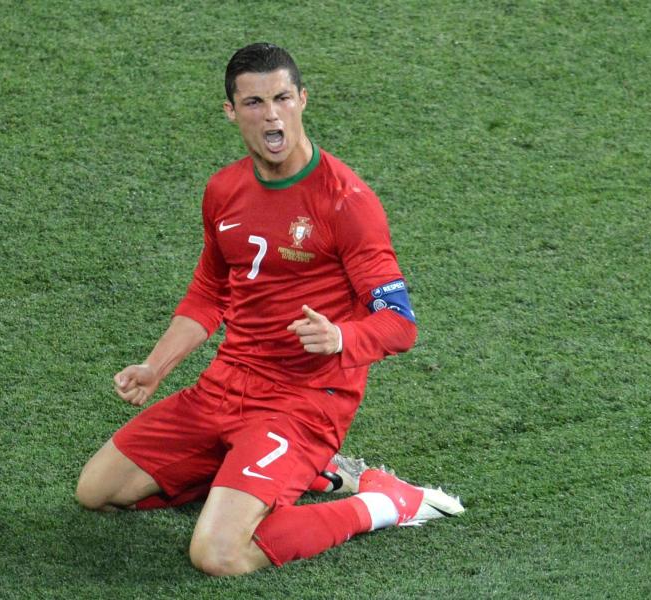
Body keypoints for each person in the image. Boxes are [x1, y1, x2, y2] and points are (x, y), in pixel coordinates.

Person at [75, 42, 464, 576]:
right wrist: (154, 367)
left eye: (282, 97)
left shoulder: (345, 203)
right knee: (98, 490)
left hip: (303, 402)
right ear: (232, 112)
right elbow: (211, 293)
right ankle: (307, 476)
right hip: (226, 384)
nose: (272, 114)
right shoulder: (224, 190)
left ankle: (382, 503)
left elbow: (400, 326)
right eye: (255, 103)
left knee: (218, 554)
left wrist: (343, 339)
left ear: (303, 99)